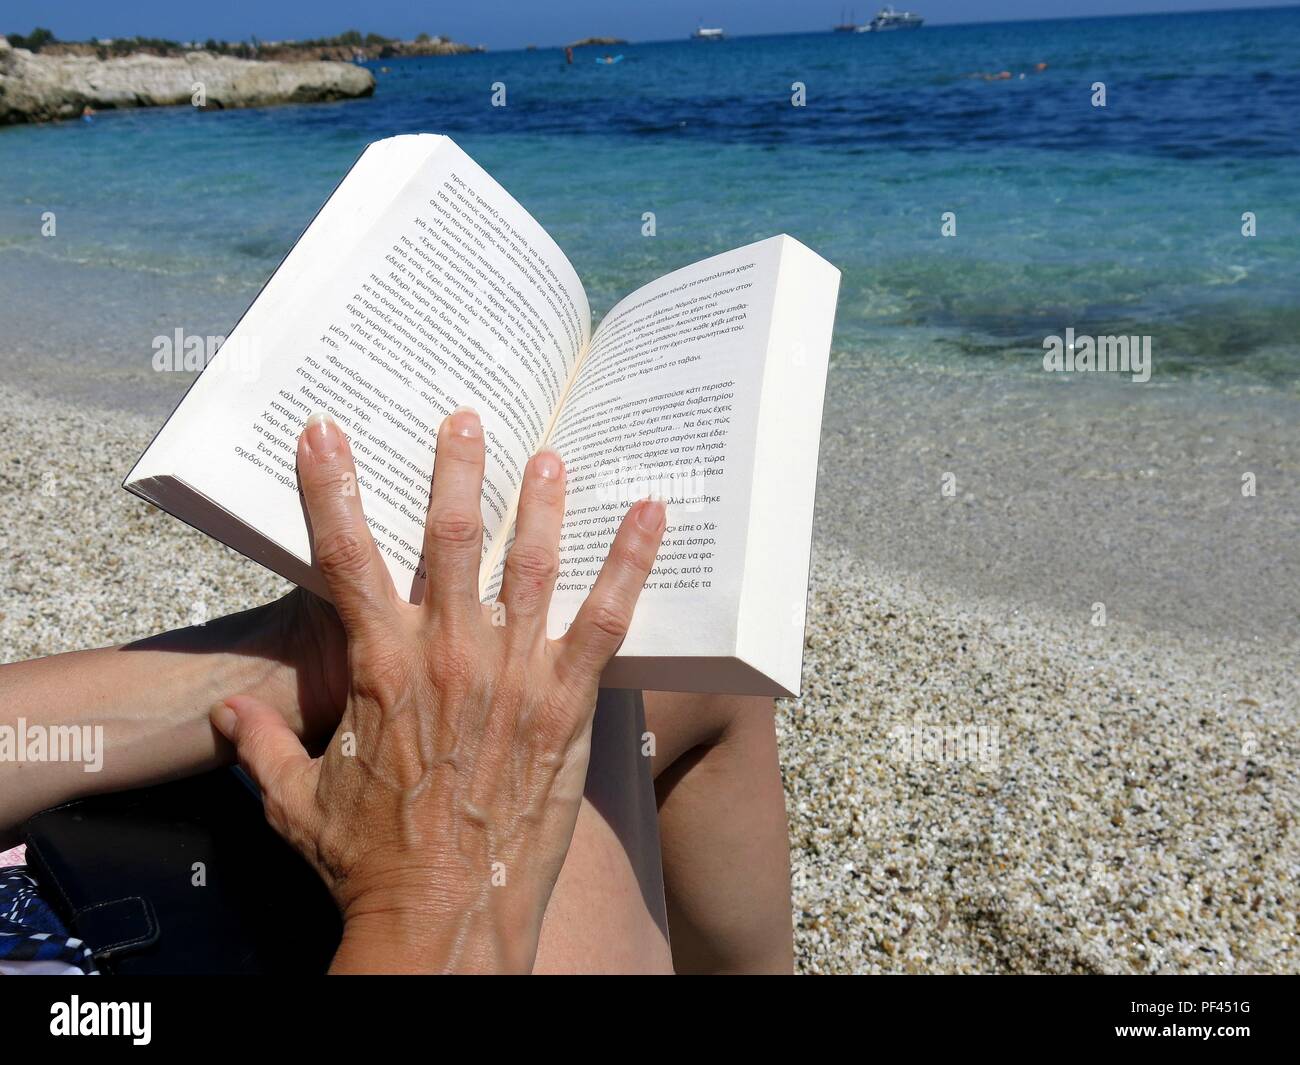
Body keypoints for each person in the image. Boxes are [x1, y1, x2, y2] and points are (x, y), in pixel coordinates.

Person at [0, 409, 793, 973]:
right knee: (586, 672)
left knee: (682, 682)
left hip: (87, 871)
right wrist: (431, 893)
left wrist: (284, 660)